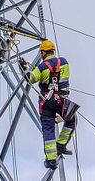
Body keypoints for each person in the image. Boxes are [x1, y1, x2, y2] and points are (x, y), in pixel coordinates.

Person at [19, 40, 77, 170]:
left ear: (43, 53)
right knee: (71, 120)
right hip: (62, 100)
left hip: (46, 102)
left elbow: (30, 79)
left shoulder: (41, 67)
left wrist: (24, 69)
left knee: (48, 129)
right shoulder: (64, 62)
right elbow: (63, 79)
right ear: (53, 51)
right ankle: (61, 144)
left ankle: (51, 161)